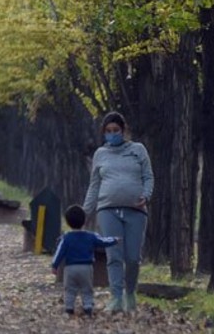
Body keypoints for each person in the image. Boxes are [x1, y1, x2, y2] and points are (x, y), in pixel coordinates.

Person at [82, 111, 153, 314]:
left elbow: (148, 176)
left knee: (132, 257)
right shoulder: (100, 154)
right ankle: (116, 297)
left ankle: (130, 293)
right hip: (107, 210)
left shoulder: (138, 150)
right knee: (113, 255)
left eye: (116, 130)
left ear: (124, 131)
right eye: (108, 131)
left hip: (135, 210)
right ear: (104, 133)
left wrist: (146, 195)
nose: (112, 134)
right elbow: (94, 185)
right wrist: (85, 212)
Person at [51, 205, 120, 317]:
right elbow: (102, 241)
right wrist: (114, 240)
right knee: (86, 289)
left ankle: (69, 309)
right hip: (86, 268)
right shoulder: (90, 236)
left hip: (70, 268)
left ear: (68, 222)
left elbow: (60, 252)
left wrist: (54, 265)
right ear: (84, 221)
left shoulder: (66, 237)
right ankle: (88, 308)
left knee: (69, 289)